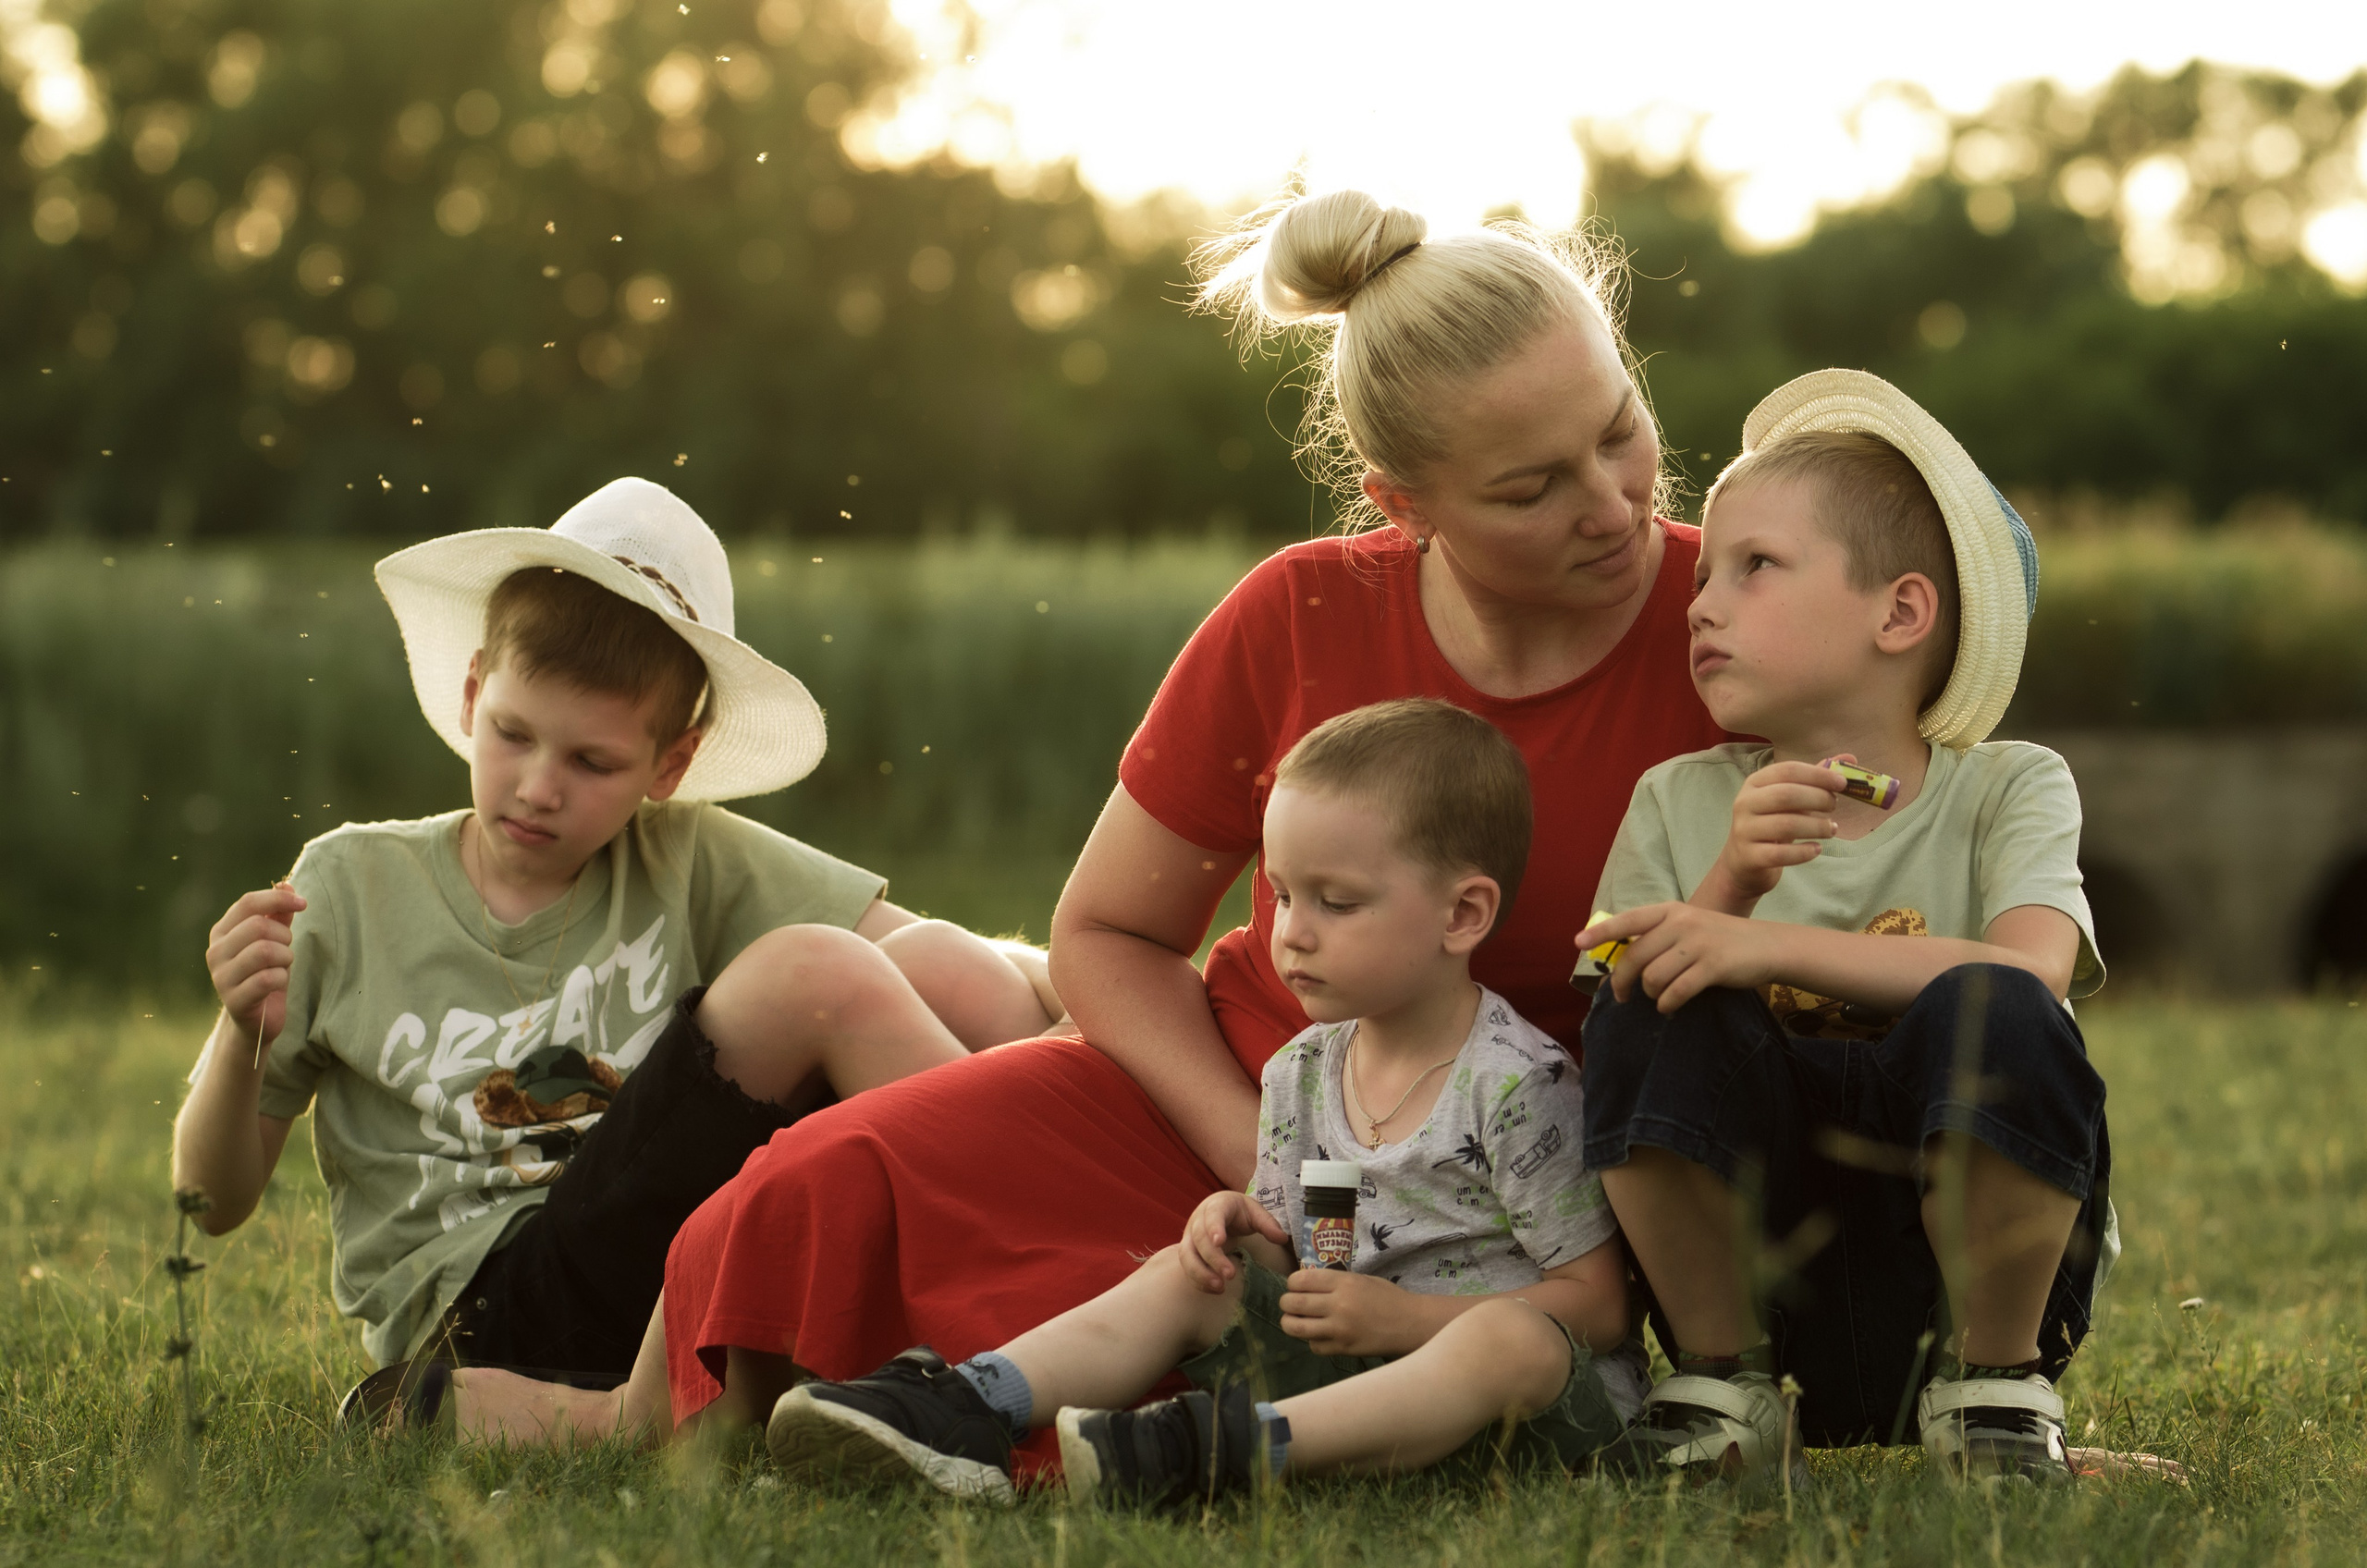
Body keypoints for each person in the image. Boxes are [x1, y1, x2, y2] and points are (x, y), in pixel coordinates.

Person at [451, 187, 1728, 1458]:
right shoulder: (1300, 613)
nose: (1614, 505)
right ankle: (677, 1419)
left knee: (1162, 1335)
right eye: (1531, 489)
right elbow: (1107, 934)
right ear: (1405, 506)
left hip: (1484, 1190)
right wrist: (1257, 1153)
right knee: (794, 1193)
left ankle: (894, 1414)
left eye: (1621, 430)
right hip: (1232, 1110)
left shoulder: (1733, 625)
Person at [171, 478, 1060, 1408]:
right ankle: (1049, 1296)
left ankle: (1096, 1253)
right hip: (484, 1316)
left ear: (669, 763)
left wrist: (1097, 995)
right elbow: (212, 1202)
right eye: (513, 734)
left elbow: (941, 962)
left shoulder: (681, 855)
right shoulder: (349, 887)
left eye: (592, 761)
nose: (538, 786)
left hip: (664, 1271)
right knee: (820, 973)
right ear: (473, 694)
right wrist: (242, 1035)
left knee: (932, 966)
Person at [764, 701, 1641, 1505]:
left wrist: (1411, 1320)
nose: (1292, 931)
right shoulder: (1301, 1073)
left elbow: (1598, 1306)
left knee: (1509, 1343)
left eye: (1338, 903)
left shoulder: (1516, 1084)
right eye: (1284, 895)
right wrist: (1238, 1224)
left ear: (1462, 915)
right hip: (1354, 1374)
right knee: (1187, 1276)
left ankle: (1223, 1451)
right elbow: (1302, 1239)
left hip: (1517, 1416)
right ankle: (967, 1404)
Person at [1575, 370, 2115, 1484]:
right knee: (1643, 998)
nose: (1700, 603)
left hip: (1963, 1281)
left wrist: (1763, 943)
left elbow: (2032, 972)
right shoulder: (1679, 800)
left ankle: (1993, 1398)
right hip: (1762, 1278)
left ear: (1899, 611)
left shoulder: (2007, 787)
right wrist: (1726, 884)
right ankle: (1721, 1388)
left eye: (1754, 566)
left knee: (1998, 1010)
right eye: (1702, 574)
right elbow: (1622, 1011)